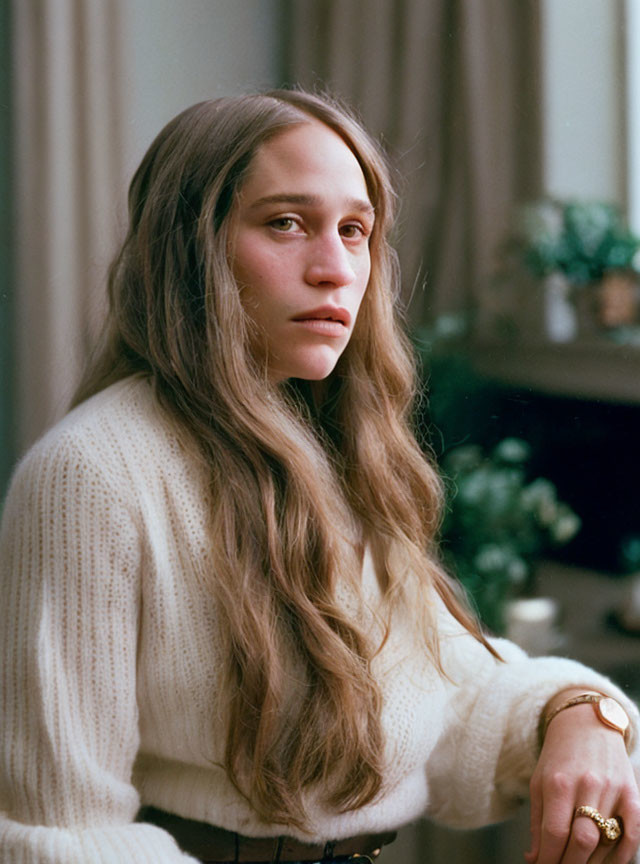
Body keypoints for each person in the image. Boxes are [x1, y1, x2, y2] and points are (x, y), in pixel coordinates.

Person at [0, 89, 639, 864]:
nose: (335, 269)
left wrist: (580, 715)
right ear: (188, 245)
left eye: (355, 231)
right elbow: (64, 835)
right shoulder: (88, 477)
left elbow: (444, 703)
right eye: (285, 223)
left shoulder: (342, 449)